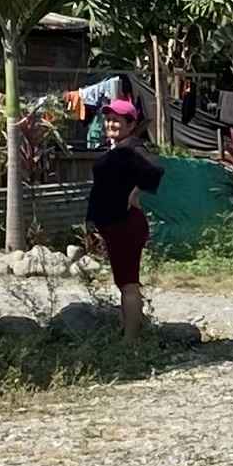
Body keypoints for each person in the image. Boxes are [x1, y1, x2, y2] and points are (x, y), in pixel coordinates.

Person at [82, 100, 163, 339]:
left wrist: (134, 194)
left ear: (130, 124)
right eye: (108, 120)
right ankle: (130, 328)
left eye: (116, 120)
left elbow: (155, 170)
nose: (110, 124)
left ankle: (130, 341)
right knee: (123, 282)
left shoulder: (132, 147)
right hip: (114, 224)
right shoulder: (117, 149)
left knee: (128, 284)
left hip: (126, 224)